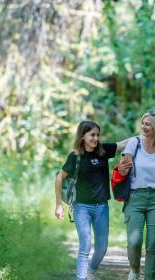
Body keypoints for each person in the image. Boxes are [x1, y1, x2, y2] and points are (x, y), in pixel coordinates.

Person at [55, 120, 128, 280]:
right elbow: (60, 177)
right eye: (92, 135)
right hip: (81, 207)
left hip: (102, 207)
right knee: (85, 245)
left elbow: (123, 144)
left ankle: (91, 271)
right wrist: (59, 204)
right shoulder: (75, 157)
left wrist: (144, 135)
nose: (95, 138)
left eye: (97, 135)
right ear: (82, 136)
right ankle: (81, 277)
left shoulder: (103, 151)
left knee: (102, 248)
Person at [117, 110, 155, 280]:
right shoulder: (134, 143)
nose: (144, 126)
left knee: (152, 245)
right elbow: (124, 165)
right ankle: (134, 270)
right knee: (134, 242)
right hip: (135, 198)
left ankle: (149, 277)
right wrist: (122, 167)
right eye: (143, 123)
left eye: (148, 124)